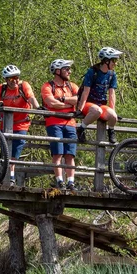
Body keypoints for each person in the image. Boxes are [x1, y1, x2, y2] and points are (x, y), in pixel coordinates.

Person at [0, 65, 41, 186]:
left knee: (16, 149)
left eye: (17, 78)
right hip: (6, 123)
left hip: (21, 123)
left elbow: (31, 98)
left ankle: (11, 176)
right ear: (6, 80)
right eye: (11, 78)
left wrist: (39, 109)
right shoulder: (1, 89)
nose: (15, 81)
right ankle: (4, 173)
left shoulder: (23, 86)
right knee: (5, 149)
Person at [40, 59, 80, 190]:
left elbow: (79, 100)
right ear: (58, 71)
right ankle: (59, 181)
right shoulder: (47, 86)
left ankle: (71, 182)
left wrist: (62, 100)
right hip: (54, 123)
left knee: (70, 154)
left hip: (70, 123)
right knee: (57, 154)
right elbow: (51, 103)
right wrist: (69, 104)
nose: (69, 71)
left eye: (69, 69)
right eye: (66, 69)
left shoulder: (72, 86)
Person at [76, 47, 123, 144]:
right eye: (114, 60)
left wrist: (113, 110)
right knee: (97, 111)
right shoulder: (92, 72)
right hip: (89, 103)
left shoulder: (112, 74)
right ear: (106, 61)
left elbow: (111, 93)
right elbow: (86, 91)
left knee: (113, 116)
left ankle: (111, 131)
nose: (116, 63)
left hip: (101, 104)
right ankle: (81, 129)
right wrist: (80, 108)